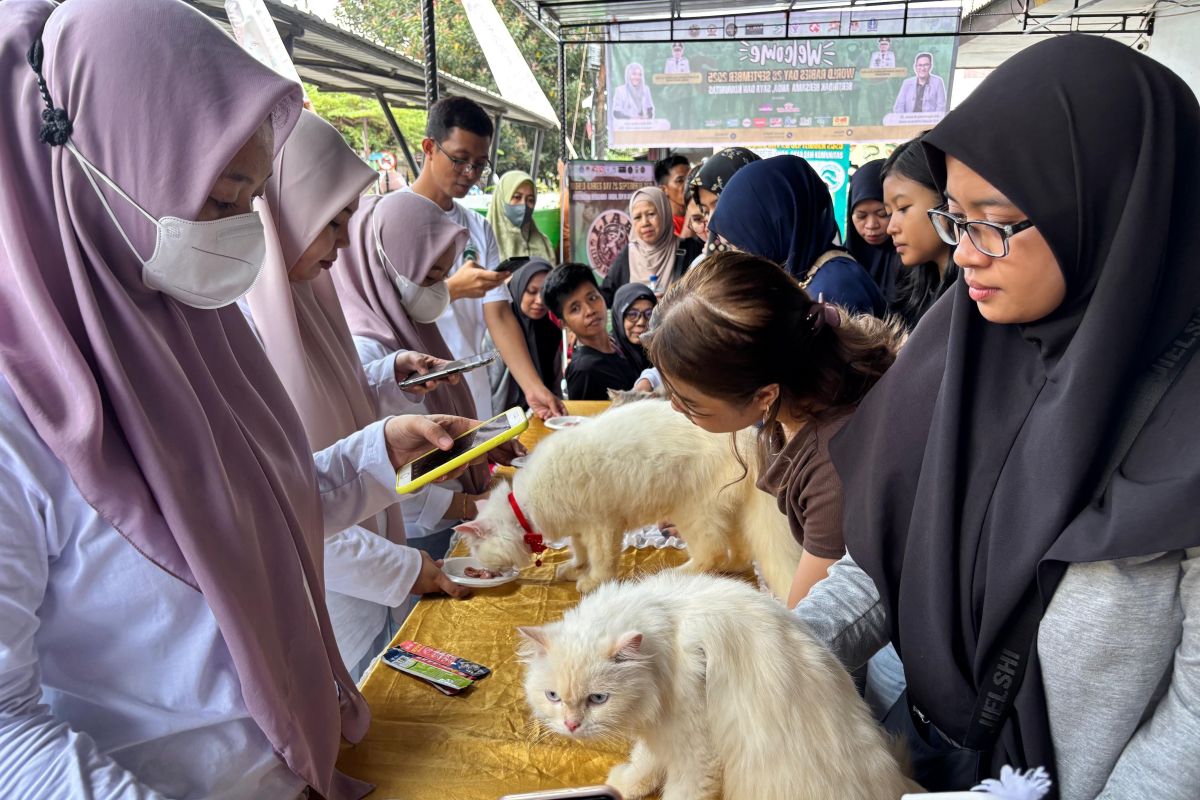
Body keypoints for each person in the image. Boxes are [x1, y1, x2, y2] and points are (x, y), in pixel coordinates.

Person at [0, 1, 477, 796]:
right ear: (95, 172)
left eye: (253, 201)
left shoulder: (199, 337)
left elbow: (256, 513)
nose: (247, 237)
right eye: (222, 202)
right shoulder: (18, 421)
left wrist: (373, 451)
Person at [797, 35, 1200, 796]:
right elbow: (882, 559)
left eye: (995, 221)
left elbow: (1194, 722)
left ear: (1112, 207)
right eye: (955, 219)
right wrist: (769, 651)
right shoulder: (959, 346)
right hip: (907, 750)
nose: (968, 254)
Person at [242, 110, 469, 679]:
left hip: (370, 563)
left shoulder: (311, 304)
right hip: (329, 593)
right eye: (332, 221)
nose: (345, 243)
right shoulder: (242, 326)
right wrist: (397, 566)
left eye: (349, 220)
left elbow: (333, 396)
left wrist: (391, 374)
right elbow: (277, 505)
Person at [644, 252, 902, 608]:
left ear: (764, 395)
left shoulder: (834, 466)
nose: (673, 405)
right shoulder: (802, 394)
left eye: (690, 401)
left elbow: (811, 630)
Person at [333, 191, 495, 558]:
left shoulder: (414, 334)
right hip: (419, 539)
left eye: (443, 275)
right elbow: (391, 478)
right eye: (430, 275)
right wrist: (474, 506)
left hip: (450, 519)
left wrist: (482, 441)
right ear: (386, 267)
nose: (440, 289)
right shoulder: (367, 350)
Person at [709, 156, 887, 317]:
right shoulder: (803, 275)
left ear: (776, 226)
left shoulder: (834, 288)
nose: (734, 258)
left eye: (738, 247)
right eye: (729, 247)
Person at [881, 136, 959, 328]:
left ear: (947, 203)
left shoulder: (974, 300)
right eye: (889, 213)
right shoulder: (916, 291)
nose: (890, 228)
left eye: (903, 208)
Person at [544, 263, 641, 400]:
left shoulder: (618, 343)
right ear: (564, 323)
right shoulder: (584, 370)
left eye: (592, 298)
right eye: (575, 308)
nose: (590, 311)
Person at [602, 186, 702, 305]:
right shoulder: (628, 255)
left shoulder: (691, 250)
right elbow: (606, 296)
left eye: (651, 214)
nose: (645, 223)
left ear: (664, 212)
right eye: (637, 217)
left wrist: (673, 304)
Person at [487, 258, 561, 412]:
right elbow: (492, 387)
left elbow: (555, 382)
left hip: (544, 415)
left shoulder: (552, 333)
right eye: (532, 292)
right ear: (517, 288)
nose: (540, 301)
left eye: (545, 292)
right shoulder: (497, 334)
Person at [846, 159, 903, 305]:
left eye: (883, 214)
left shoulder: (912, 259)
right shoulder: (843, 262)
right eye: (861, 216)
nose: (871, 225)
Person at [688, 146, 762, 257]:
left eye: (720, 206)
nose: (710, 223)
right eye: (706, 212)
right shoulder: (719, 262)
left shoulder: (788, 263)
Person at [488, 169, 554, 261]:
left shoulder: (544, 244)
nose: (523, 204)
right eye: (517, 197)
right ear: (502, 199)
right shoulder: (484, 241)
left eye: (530, 200)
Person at [612, 282, 657, 374]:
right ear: (619, 318)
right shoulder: (610, 357)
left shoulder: (662, 350)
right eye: (632, 314)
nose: (641, 322)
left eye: (649, 314)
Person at [655, 153, 691, 235]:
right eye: (680, 181)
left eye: (691, 178)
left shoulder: (701, 217)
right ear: (664, 190)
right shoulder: (661, 226)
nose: (689, 184)